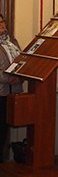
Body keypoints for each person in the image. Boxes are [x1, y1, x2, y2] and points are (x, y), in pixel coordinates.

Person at [0, 14, 22, 162]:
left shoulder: (12, 42)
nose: (2, 25)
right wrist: (11, 79)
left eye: (2, 21)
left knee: (4, 129)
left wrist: (21, 76)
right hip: (1, 91)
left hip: (13, 93)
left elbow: (23, 61)